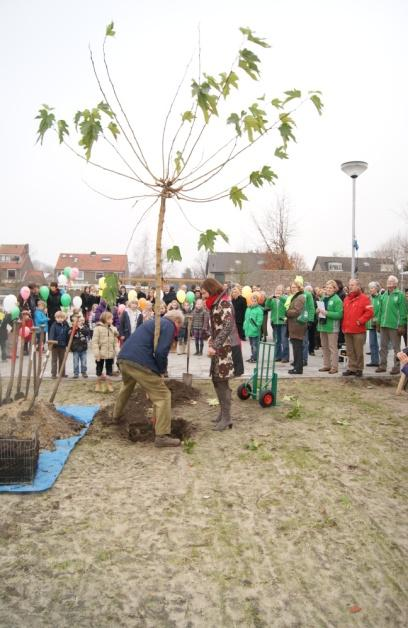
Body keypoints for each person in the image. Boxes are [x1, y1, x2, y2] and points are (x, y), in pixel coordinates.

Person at [113, 309, 185, 447]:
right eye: (180, 326)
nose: (178, 329)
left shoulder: (154, 322)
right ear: (177, 321)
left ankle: (115, 416)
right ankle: (162, 436)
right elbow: (161, 351)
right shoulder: (169, 325)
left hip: (124, 358)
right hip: (139, 362)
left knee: (127, 387)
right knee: (163, 396)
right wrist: (161, 370)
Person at [201, 278, 243, 432]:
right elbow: (217, 326)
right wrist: (212, 338)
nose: (203, 296)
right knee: (216, 379)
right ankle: (223, 413)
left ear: (211, 289)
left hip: (227, 348)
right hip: (219, 346)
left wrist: (216, 345)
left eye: (204, 292)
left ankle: (227, 418)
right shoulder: (215, 302)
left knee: (222, 380)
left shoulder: (224, 302)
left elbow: (227, 326)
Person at [342, 278, 374, 377]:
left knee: (358, 351)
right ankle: (352, 368)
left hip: (358, 330)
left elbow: (370, 312)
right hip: (347, 329)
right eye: (349, 285)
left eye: (352, 285)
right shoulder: (346, 299)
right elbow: (344, 314)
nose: (350, 287)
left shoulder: (365, 298)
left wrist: (360, 321)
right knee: (350, 351)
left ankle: (359, 369)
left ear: (358, 286)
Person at [376, 275, 407, 374]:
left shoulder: (400, 295)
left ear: (396, 284)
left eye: (392, 281)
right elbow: (380, 310)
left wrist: (402, 324)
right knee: (383, 347)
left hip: (395, 326)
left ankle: (396, 367)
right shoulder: (383, 295)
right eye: (388, 281)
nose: (389, 283)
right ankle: (382, 365)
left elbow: (403, 311)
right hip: (384, 325)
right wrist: (378, 322)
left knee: (396, 348)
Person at [316, 280, 344, 374]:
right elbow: (320, 309)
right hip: (322, 326)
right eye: (327, 287)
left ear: (335, 289)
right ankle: (326, 365)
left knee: (332, 347)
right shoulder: (323, 298)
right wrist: (318, 310)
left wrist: (327, 313)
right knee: (324, 347)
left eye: (330, 288)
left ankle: (334, 367)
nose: (328, 289)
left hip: (332, 327)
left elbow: (339, 315)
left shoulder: (337, 300)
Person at [92, 311, 119, 390]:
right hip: (100, 354)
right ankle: (98, 383)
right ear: (105, 319)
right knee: (99, 369)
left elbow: (115, 342)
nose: (112, 320)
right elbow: (94, 342)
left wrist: (117, 352)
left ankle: (109, 384)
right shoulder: (98, 328)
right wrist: (97, 353)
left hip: (110, 354)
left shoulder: (113, 329)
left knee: (109, 370)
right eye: (110, 319)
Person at [286, 279, 306, 375]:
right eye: (291, 287)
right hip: (294, 325)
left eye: (294, 287)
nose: (292, 289)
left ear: (299, 288)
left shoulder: (300, 297)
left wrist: (287, 312)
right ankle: (296, 367)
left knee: (297, 348)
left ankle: (298, 369)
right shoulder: (296, 297)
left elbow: (297, 311)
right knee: (295, 347)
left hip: (297, 326)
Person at [265, 285, 287, 362]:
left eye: (280, 290)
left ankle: (285, 357)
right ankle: (278, 356)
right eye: (277, 290)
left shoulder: (285, 298)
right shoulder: (273, 300)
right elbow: (267, 306)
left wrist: (279, 297)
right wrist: (269, 299)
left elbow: (286, 303)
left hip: (283, 322)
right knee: (277, 340)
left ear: (283, 292)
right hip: (275, 322)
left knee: (284, 340)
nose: (278, 291)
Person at [49, 310, 70, 378]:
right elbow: (51, 334)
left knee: (62, 360)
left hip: (62, 345)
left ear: (64, 318)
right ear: (55, 318)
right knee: (54, 360)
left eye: (61, 318)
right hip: (55, 345)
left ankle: (62, 373)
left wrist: (67, 344)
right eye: (58, 318)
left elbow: (67, 335)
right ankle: (53, 374)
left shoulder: (65, 325)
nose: (60, 319)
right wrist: (51, 344)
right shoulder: (54, 325)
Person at [243, 293, 264, 363]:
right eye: (252, 300)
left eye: (255, 301)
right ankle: (253, 356)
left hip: (255, 330)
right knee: (251, 345)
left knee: (255, 345)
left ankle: (255, 358)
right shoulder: (248, 309)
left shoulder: (259, 310)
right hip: (249, 330)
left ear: (257, 301)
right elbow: (246, 319)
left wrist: (256, 327)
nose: (253, 302)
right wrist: (245, 326)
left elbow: (260, 321)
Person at [366, 281, 381, 367]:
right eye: (370, 288)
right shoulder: (369, 299)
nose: (371, 290)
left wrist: (377, 320)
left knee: (379, 344)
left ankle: (381, 361)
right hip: (370, 324)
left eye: (372, 288)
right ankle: (374, 361)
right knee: (372, 343)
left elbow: (380, 311)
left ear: (376, 289)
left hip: (378, 324)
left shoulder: (381, 298)